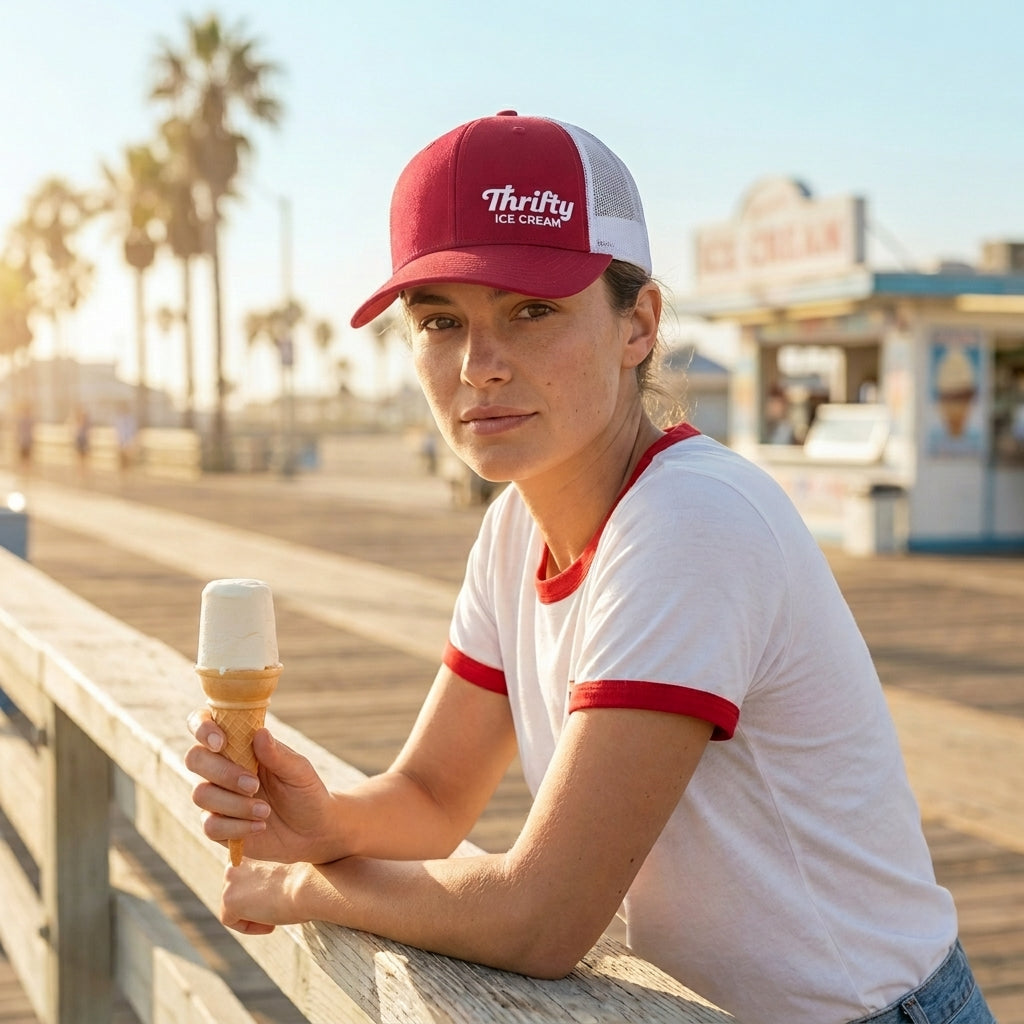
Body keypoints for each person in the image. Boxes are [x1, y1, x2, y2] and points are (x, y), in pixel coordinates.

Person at [186, 111, 995, 1024]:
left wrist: (304, 892)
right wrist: (322, 823)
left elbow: (542, 917)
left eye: (532, 311)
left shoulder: (693, 521)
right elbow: (431, 796)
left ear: (637, 323)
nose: (479, 366)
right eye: (440, 320)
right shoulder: (511, 531)